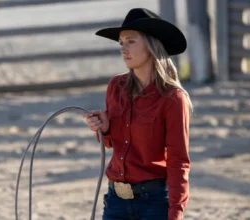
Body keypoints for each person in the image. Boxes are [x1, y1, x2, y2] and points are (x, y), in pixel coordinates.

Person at [82, 8, 193, 220]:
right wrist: (105, 129)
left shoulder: (172, 98)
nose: (123, 49)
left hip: (154, 204)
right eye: (121, 43)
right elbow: (114, 144)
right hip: (115, 201)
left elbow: (179, 161)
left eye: (131, 41)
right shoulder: (116, 86)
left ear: (151, 46)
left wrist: (176, 213)